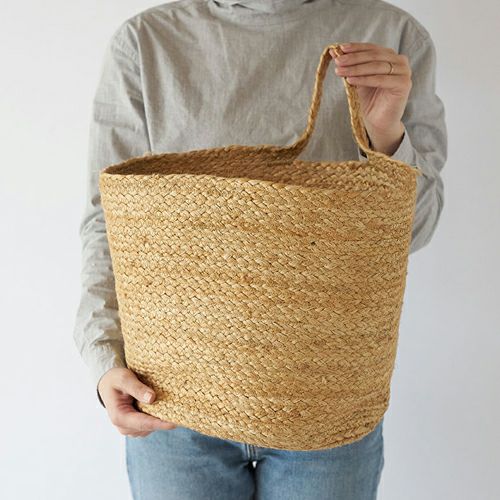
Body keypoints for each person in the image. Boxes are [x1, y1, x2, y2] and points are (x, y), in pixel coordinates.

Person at [73, 0, 447, 498]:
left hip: (326, 402)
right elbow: (108, 222)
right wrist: (103, 358)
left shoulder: (391, 35)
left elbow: (415, 230)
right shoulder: (147, 42)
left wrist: (384, 135)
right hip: (172, 400)